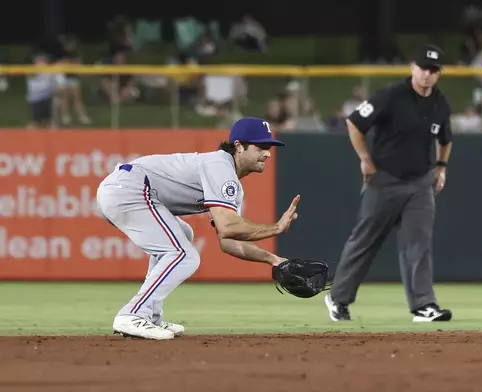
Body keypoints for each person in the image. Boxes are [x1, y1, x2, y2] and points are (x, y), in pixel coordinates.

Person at [96, 117, 300, 340]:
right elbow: (229, 226)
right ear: (239, 146)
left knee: (184, 236)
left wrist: (272, 259)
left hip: (126, 189)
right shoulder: (220, 165)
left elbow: (229, 240)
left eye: (269, 147)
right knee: (184, 255)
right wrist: (276, 228)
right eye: (261, 146)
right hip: (129, 189)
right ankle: (133, 314)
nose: (268, 153)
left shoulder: (229, 179)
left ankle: (149, 316)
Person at [324, 44, 454, 323]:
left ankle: (423, 305)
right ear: (412, 68)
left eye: (433, 70)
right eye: (423, 68)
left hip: (420, 183)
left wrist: (441, 167)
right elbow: (354, 123)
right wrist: (364, 159)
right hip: (385, 179)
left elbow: (445, 138)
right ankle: (338, 299)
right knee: (365, 241)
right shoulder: (391, 96)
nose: (427, 75)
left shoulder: (440, 103)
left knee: (419, 243)